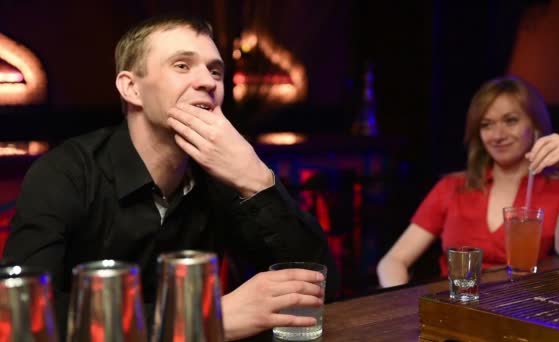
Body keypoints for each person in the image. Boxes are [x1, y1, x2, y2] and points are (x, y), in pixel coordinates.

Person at [3, 14, 338, 340]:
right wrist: (204, 320)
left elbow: (318, 290)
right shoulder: (65, 173)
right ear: (131, 88)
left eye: (215, 70)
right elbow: (25, 309)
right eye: (182, 65)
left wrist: (256, 178)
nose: (208, 81)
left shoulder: (222, 174)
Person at [377, 76, 559, 287]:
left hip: (524, 308)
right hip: (456, 307)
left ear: (536, 126)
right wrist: (400, 307)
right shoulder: (452, 186)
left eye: (510, 120)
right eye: (486, 124)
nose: (497, 135)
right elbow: (393, 261)